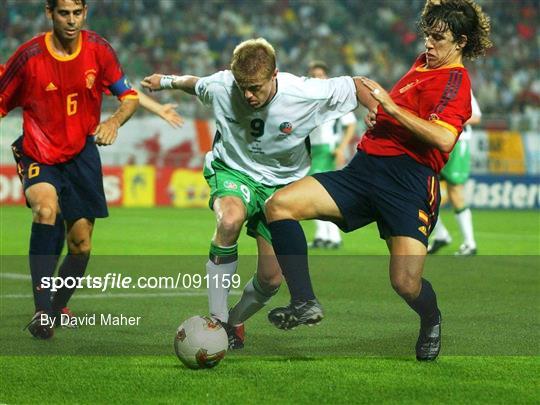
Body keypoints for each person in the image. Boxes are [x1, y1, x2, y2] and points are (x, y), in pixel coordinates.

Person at [264, 0, 492, 361]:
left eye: (438, 38)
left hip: (409, 183)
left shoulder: (456, 82)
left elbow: (444, 138)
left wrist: (390, 108)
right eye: (427, 35)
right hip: (365, 170)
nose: (429, 44)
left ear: (461, 41)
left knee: (405, 283)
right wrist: (381, 119)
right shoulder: (422, 63)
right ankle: (304, 301)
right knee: (279, 205)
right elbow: (399, 114)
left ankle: (431, 318)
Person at [142, 38, 374, 349]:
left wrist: (376, 110)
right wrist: (165, 81)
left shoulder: (302, 92)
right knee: (230, 219)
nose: (248, 95)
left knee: (271, 279)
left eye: (256, 87)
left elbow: (358, 85)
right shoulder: (223, 85)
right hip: (233, 169)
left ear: (275, 74)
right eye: (243, 87)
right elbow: (193, 83)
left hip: (281, 186)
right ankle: (217, 319)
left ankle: (233, 322)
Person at [0, 0, 139, 339]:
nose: (71, 20)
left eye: (77, 13)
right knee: (46, 210)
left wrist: (114, 121)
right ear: (50, 13)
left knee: (80, 246)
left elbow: (130, 96)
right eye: (64, 13)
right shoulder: (29, 57)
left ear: (85, 12)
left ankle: (56, 305)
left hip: (81, 155)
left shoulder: (99, 51)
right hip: (38, 153)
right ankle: (41, 312)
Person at [307, 61, 357, 249]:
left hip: (326, 149)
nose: (317, 79)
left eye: (320, 75)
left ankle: (332, 236)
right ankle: (325, 235)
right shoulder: (308, 99)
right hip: (312, 150)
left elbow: (350, 124)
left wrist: (340, 148)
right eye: (313, 76)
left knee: (317, 192)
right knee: (317, 194)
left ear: (326, 78)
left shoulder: (334, 99)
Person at [428, 91, 481, 256]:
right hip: (434, 142)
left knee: (455, 190)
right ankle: (441, 234)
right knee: (423, 189)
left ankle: (469, 243)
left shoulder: (460, 85)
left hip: (457, 143)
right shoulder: (433, 84)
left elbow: (476, 116)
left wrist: (448, 118)